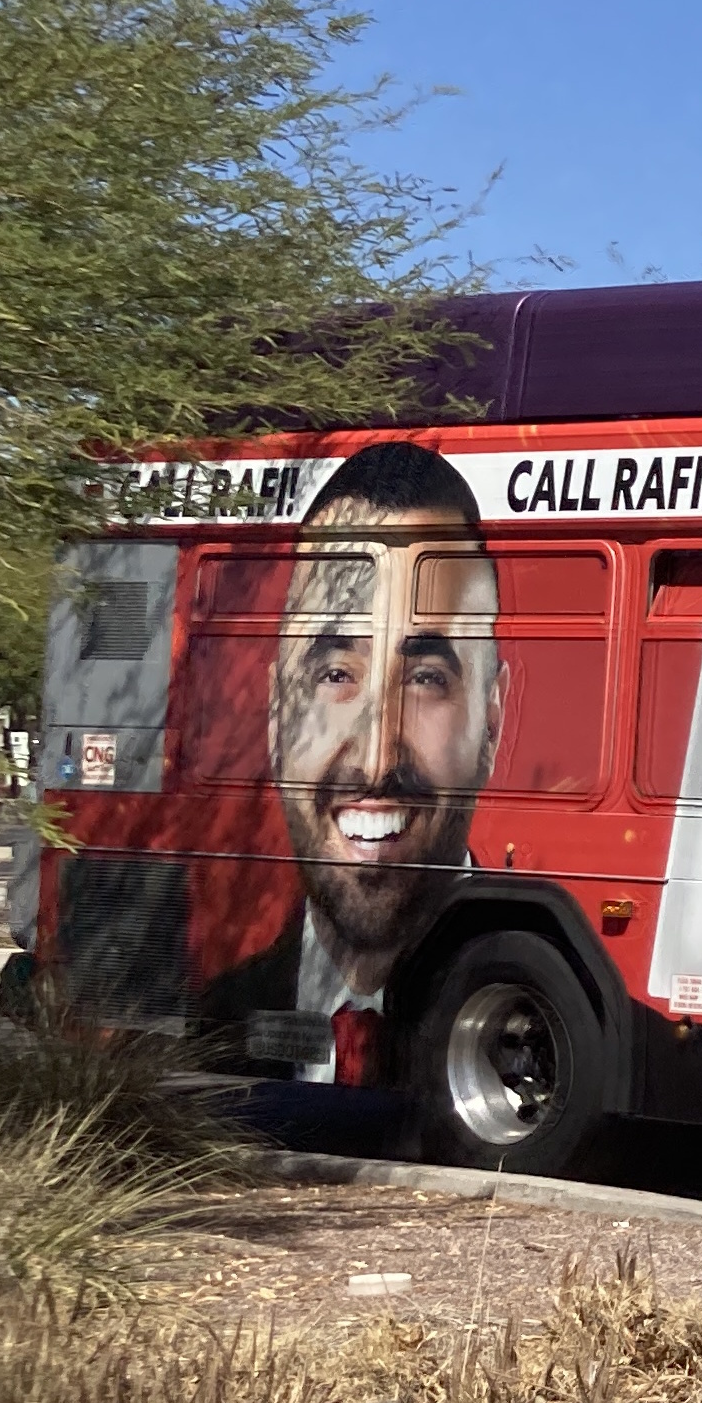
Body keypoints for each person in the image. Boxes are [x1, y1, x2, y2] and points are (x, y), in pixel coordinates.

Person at [203, 441, 502, 1082]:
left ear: (492, 722)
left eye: (425, 678)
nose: (374, 761)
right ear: (276, 710)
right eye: (336, 673)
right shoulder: (208, 1025)